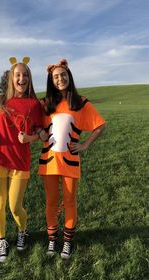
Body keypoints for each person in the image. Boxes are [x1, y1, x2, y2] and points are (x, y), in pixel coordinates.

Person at [38, 59, 106, 259]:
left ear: (69, 76)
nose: (60, 79)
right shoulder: (45, 103)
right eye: (56, 76)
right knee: (51, 201)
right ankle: (52, 240)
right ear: (51, 80)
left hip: (70, 161)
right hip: (48, 161)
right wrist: (38, 132)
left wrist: (84, 145)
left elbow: (100, 125)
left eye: (63, 75)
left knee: (70, 201)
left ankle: (67, 242)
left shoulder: (80, 102)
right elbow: (33, 123)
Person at [0, 57, 44, 262]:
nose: (21, 78)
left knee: (15, 206)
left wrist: (30, 138)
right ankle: (2, 240)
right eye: (18, 75)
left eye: (25, 75)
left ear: (29, 79)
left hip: (20, 162)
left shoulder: (35, 104)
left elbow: (42, 133)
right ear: (11, 78)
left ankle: (22, 230)